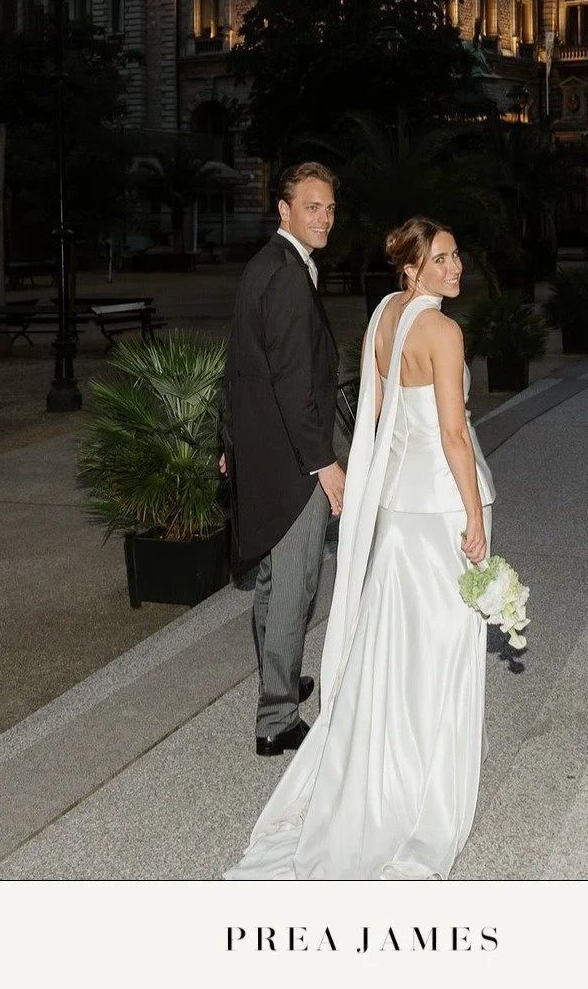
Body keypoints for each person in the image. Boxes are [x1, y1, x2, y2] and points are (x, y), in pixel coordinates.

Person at [225, 217, 495, 879]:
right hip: (439, 507)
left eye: (456, 254)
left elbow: (379, 418)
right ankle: (425, 779)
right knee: (442, 643)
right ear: (411, 268)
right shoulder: (443, 330)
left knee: (395, 643)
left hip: (399, 508)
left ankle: (378, 759)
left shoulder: (383, 317)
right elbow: (455, 436)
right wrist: (473, 516)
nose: (454, 267)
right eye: (440, 258)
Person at [221, 162, 346, 758]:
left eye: (329, 208)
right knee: (294, 586)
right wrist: (324, 463)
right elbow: (294, 382)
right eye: (312, 206)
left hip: (263, 453)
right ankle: (276, 719)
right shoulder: (288, 277)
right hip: (293, 463)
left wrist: (228, 444)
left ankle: (281, 676)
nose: (323, 217)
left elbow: (241, 366)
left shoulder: (265, 266)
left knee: (273, 580)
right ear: (285, 209)